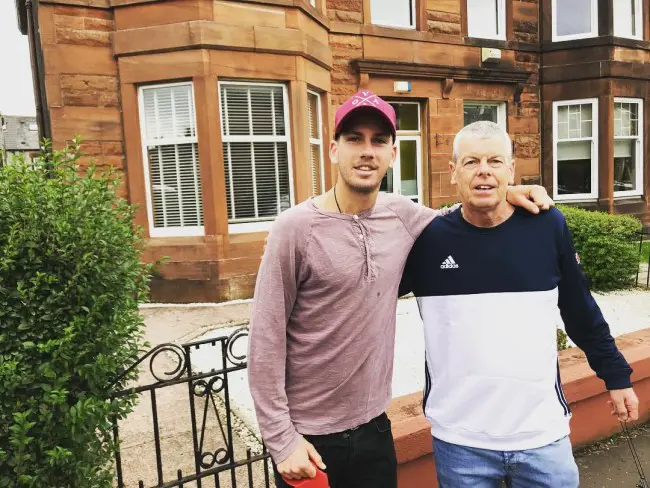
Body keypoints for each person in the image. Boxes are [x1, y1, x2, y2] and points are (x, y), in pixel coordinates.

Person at [247, 91, 554, 488]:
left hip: (375, 430)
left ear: (393, 153)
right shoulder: (294, 230)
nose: (366, 151)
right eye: (354, 139)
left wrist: (505, 192)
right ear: (333, 150)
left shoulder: (402, 214)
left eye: (378, 141)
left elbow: (458, 218)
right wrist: (281, 438)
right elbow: (266, 339)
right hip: (310, 440)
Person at [400, 121, 639, 488]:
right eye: (471, 162)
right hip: (461, 440)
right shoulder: (426, 240)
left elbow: (580, 311)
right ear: (452, 172)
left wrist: (616, 376)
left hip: (542, 437)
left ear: (511, 170)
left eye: (495, 161)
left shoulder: (546, 226)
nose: (483, 170)